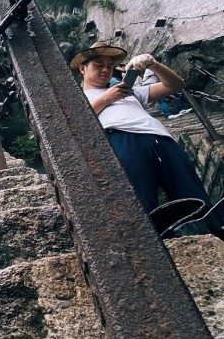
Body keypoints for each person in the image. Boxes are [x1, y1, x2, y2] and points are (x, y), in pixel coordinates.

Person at [70, 41, 212, 214]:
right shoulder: (77, 97)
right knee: (141, 201)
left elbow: (175, 85)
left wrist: (153, 65)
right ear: (82, 69)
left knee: (192, 192)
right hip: (120, 139)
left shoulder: (129, 91)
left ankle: (211, 230)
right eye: (98, 65)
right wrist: (106, 98)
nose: (105, 70)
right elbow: (74, 121)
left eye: (109, 66)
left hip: (161, 137)